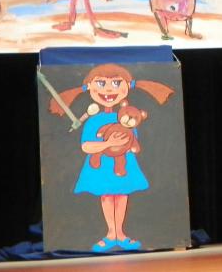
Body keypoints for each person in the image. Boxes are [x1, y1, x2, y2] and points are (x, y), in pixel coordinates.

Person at [48, 64, 174, 252]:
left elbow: (132, 142)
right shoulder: (93, 120)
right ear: (90, 87)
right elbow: (86, 146)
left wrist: (130, 147)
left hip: (123, 165)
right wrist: (108, 144)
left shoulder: (126, 116)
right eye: (101, 83)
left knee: (121, 196)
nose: (108, 89)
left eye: (116, 83)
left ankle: (120, 234)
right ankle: (111, 234)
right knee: (107, 196)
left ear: (127, 87)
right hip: (101, 166)